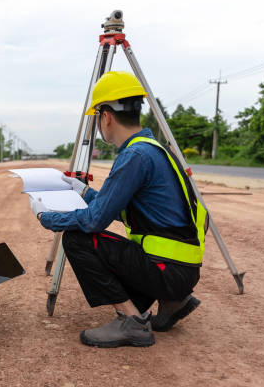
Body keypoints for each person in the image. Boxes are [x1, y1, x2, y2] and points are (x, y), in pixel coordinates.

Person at [30, 71, 207, 348]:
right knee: (98, 238)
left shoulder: (134, 155)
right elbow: (117, 208)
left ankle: (132, 322)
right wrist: (83, 191)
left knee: (77, 239)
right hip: (181, 270)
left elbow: (95, 220)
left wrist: (47, 217)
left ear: (106, 116)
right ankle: (173, 301)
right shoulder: (153, 149)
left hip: (167, 270)